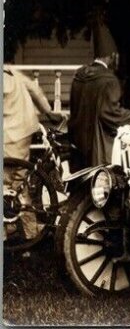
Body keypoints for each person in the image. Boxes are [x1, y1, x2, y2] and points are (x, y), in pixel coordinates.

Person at [69, 22, 130, 167]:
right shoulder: (109, 80)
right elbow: (110, 114)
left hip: (78, 146)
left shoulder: (79, 76)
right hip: (98, 149)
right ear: (110, 56)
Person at [4, 63, 64, 241]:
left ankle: (5, 234)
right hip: (25, 131)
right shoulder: (12, 72)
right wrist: (49, 112)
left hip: (8, 134)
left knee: (6, 183)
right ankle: (30, 233)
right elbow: (35, 90)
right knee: (19, 184)